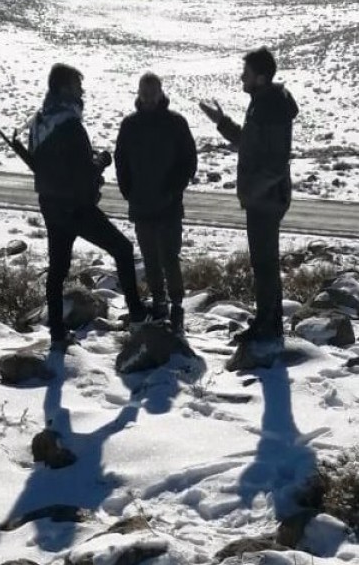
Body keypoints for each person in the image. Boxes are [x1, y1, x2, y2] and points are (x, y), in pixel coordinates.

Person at [29, 64, 147, 345]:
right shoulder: (69, 124)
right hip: (76, 207)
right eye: (76, 86)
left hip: (51, 205)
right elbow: (83, 171)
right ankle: (139, 316)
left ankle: (57, 331)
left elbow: (43, 163)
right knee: (122, 248)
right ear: (65, 88)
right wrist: (101, 162)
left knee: (57, 269)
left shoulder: (40, 122)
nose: (81, 91)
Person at [199, 47, 299, 343]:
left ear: (261, 77)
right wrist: (221, 122)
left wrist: (254, 192)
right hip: (264, 197)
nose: (242, 77)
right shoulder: (263, 103)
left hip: (266, 199)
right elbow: (248, 143)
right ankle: (269, 322)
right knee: (263, 263)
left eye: (247, 72)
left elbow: (276, 162)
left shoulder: (271, 108)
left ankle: (268, 326)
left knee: (265, 264)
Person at [115, 73, 197, 332]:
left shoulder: (175, 123)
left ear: (161, 93)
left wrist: (174, 189)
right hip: (141, 204)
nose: (149, 97)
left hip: (169, 205)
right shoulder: (130, 125)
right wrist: (128, 191)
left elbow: (189, 160)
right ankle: (159, 302)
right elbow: (121, 161)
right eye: (145, 92)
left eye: (153, 92)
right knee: (150, 258)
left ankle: (177, 305)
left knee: (170, 257)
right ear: (138, 93)